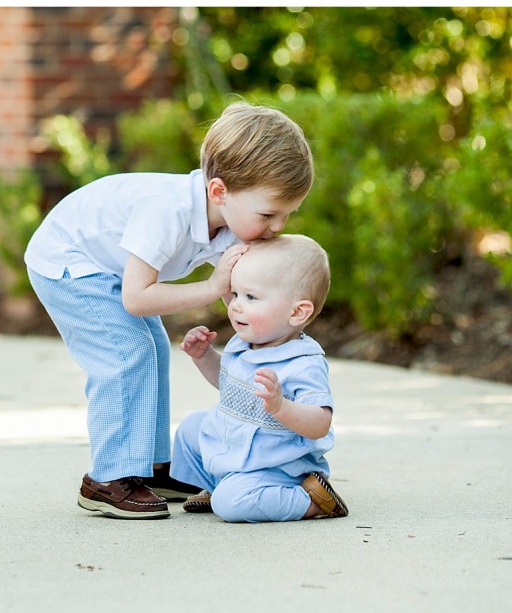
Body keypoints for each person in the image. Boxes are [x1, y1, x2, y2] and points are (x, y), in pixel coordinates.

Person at [24, 101, 314, 520]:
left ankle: (152, 466)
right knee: (126, 354)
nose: (278, 226)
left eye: (287, 214)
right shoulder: (167, 212)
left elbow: (241, 291)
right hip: (66, 261)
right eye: (269, 213)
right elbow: (136, 298)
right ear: (219, 191)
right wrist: (212, 286)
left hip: (104, 267)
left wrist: (272, 335)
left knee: (154, 347)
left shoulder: (230, 222)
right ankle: (108, 478)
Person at [171, 234, 348, 522]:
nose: (236, 306)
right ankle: (218, 485)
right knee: (191, 426)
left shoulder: (303, 363)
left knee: (230, 505)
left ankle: (311, 501)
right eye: (236, 294)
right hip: (236, 448)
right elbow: (229, 385)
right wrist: (204, 357)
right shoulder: (243, 343)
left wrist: (282, 407)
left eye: (251, 297)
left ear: (297, 312)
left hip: (276, 468)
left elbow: (320, 423)